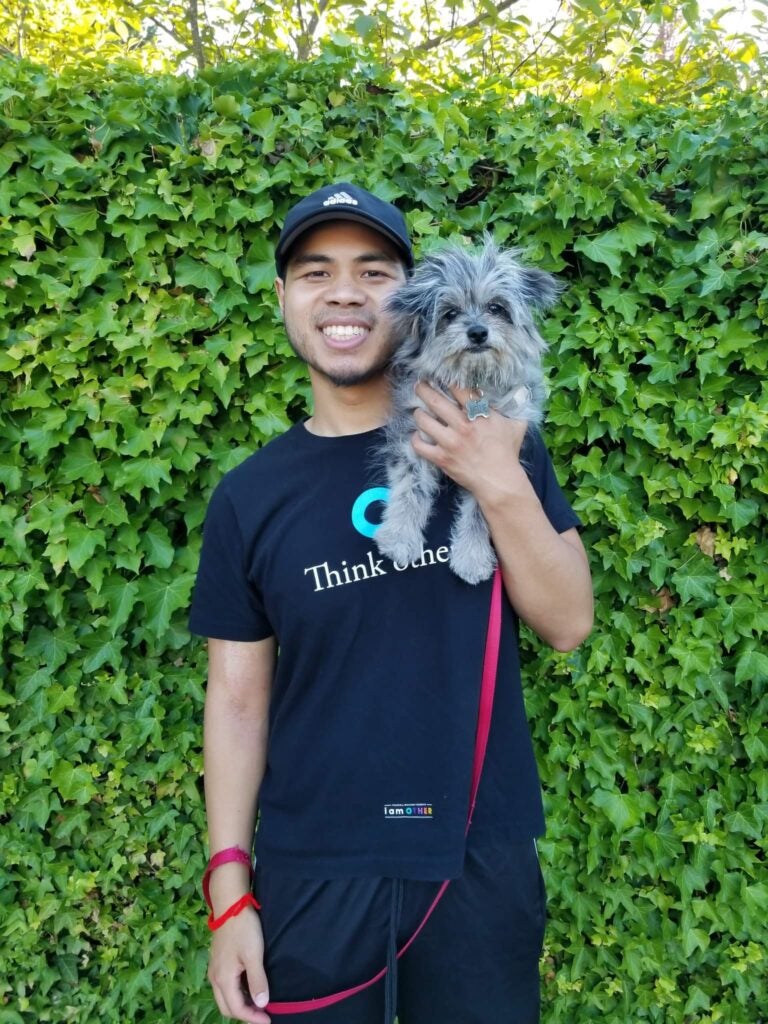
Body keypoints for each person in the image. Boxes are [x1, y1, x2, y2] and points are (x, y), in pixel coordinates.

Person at [189, 182, 593, 1024]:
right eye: (314, 272)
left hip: (477, 853)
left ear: (411, 299)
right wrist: (229, 891)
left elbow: (567, 623)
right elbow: (234, 700)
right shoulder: (248, 497)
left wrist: (494, 479)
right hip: (312, 864)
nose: (343, 292)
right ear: (284, 299)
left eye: (372, 272)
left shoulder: (509, 444)